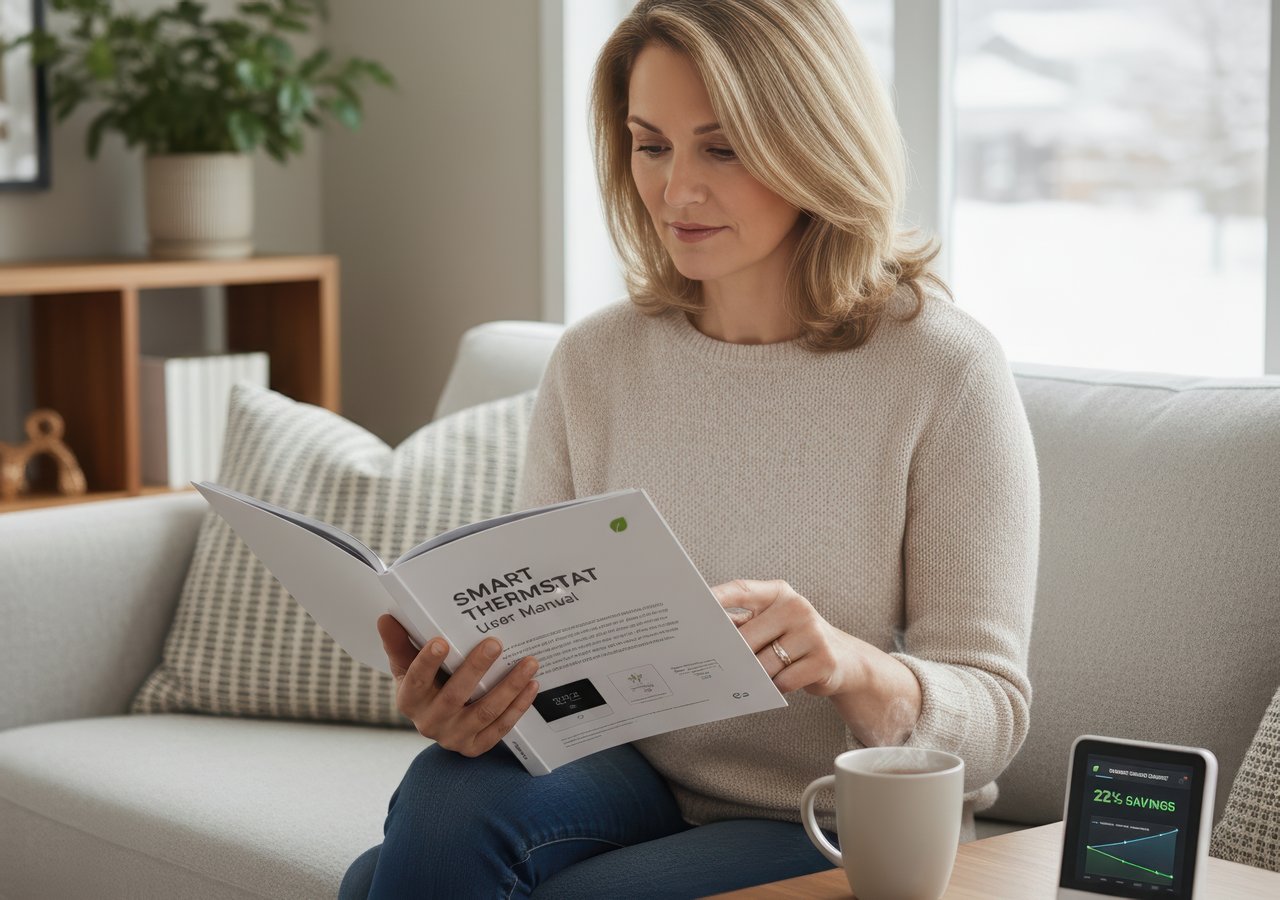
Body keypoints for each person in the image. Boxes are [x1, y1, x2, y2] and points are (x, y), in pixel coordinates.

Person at [340, 0, 1039, 896]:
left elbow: (993, 714)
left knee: (381, 882)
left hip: (834, 815)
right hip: (628, 776)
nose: (675, 191)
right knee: (446, 797)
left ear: (813, 144)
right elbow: (547, 651)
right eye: (650, 144)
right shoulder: (593, 361)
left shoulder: (944, 370)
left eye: (723, 147)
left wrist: (849, 661)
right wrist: (476, 704)